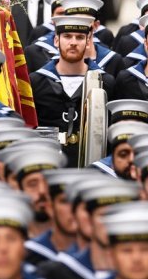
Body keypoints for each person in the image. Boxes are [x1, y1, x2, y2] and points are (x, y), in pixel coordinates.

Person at [31, 15, 115, 166]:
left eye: (80, 37)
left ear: (88, 42)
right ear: (56, 40)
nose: (73, 43)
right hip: (47, 165)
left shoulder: (105, 82)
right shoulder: (36, 81)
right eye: (67, 36)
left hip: (90, 167)